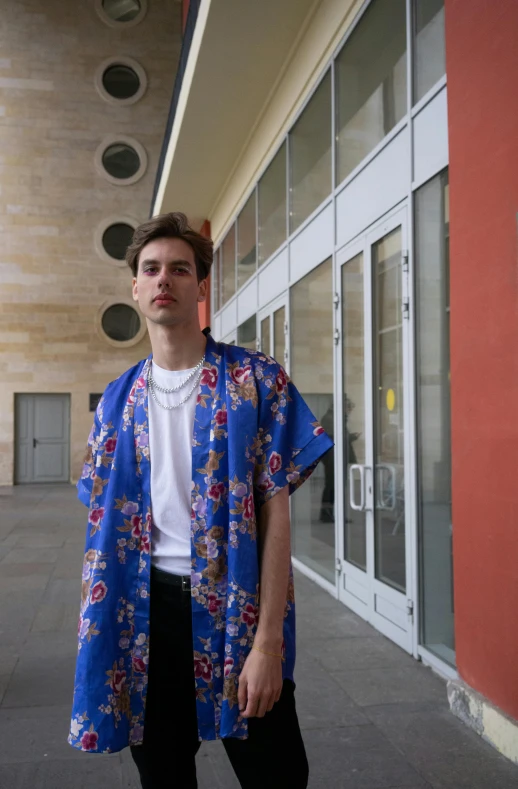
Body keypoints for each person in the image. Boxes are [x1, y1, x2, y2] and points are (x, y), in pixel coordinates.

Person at [68, 212, 333, 789]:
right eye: (152, 269)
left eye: (180, 269)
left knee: (276, 773)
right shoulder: (116, 401)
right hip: (147, 614)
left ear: (201, 287)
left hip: (237, 610)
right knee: (162, 775)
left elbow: (276, 514)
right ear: (136, 288)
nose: (165, 279)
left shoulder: (255, 382)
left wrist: (267, 644)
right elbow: (98, 517)